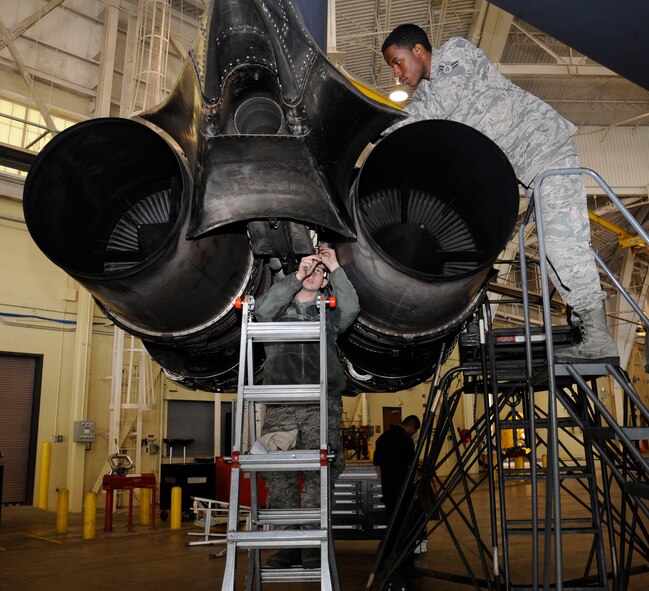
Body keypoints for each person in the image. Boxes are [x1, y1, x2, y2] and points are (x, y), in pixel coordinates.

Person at [381, 24, 619, 364]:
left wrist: (378, 127)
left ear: (419, 51)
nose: (397, 73)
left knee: (565, 245)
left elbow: (431, 117)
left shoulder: (456, 55)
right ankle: (587, 328)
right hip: (532, 170)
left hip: (547, 152)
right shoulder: (429, 94)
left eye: (398, 61)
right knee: (552, 251)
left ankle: (598, 336)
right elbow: (419, 117)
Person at [253, 243, 360, 569]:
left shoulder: (328, 314)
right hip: (282, 404)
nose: (314, 274)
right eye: (308, 270)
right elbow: (261, 310)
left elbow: (352, 309)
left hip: (321, 404)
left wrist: (335, 265)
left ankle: (313, 544)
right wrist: (298, 273)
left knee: (319, 475)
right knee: (279, 475)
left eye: (319, 272)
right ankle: (288, 544)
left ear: (326, 281)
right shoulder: (277, 310)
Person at [373, 415, 421, 519]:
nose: (414, 433)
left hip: (388, 488)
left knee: (392, 516)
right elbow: (411, 465)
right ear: (411, 427)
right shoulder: (407, 441)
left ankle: (392, 535)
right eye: (414, 430)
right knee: (403, 518)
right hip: (403, 488)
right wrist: (417, 478)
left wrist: (383, 482)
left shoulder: (382, 438)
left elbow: (377, 464)